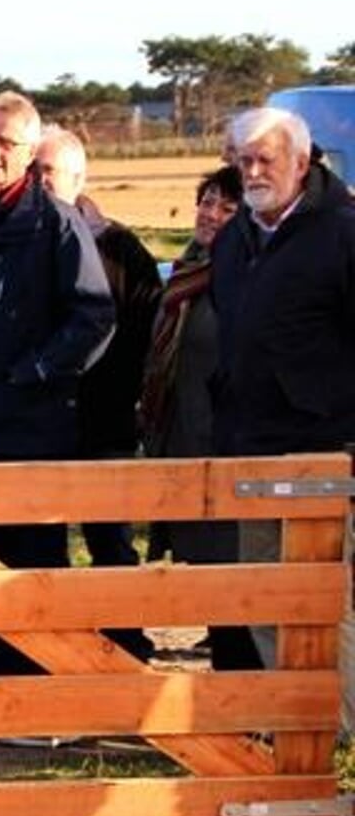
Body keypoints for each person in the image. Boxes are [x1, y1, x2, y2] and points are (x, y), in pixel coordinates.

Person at [0, 92, 114, 677]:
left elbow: (93, 317)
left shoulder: (56, 224)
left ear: (31, 150)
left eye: (6, 143)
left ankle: (35, 695)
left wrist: (37, 370)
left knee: (32, 564)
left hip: (32, 425)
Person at [210, 107, 355, 673]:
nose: (252, 173)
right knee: (266, 594)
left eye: (264, 159)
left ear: (300, 161)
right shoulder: (236, 239)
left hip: (329, 446)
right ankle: (291, 720)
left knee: (330, 599)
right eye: (243, 161)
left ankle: (339, 733)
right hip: (256, 445)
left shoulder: (342, 232)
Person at [33, 128, 162, 661]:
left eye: (50, 173)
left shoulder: (120, 248)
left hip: (104, 416)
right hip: (39, 422)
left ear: (79, 179)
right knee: (41, 540)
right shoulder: (19, 243)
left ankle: (126, 641)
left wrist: (127, 396)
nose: (40, 183)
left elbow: (145, 327)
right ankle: (55, 645)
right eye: (33, 171)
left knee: (108, 537)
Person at [139, 165, 256, 669]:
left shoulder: (244, 278)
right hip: (180, 440)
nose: (211, 214)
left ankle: (242, 706)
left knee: (235, 585)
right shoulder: (187, 270)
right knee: (208, 583)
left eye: (227, 208)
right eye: (206, 202)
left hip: (224, 449)